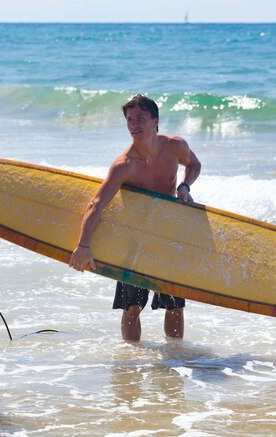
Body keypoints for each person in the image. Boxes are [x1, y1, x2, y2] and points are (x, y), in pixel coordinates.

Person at [69, 94, 201, 341]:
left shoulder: (175, 147)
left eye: (140, 118)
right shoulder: (124, 165)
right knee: (132, 307)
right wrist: (83, 246)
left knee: (174, 304)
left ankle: (175, 359)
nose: (134, 125)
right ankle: (131, 362)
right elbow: (97, 204)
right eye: (129, 120)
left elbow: (194, 164)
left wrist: (185, 186)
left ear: (155, 121)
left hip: (167, 235)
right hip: (134, 238)